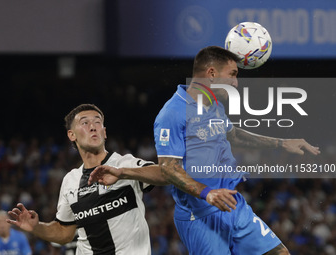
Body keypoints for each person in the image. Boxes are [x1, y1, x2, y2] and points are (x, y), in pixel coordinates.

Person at [89, 46, 320, 255]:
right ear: (211, 74)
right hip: (198, 215)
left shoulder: (212, 105)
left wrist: (282, 143)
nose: (236, 84)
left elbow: (233, 134)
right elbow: (168, 170)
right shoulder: (172, 114)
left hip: (232, 204)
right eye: (232, 75)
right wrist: (207, 193)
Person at [7, 103, 166, 255]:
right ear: (72, 135)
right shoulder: (71, 180)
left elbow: (166, 174)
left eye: (98, 122)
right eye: (85, 123)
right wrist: (37, 227)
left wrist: (123, 173)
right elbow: (64, 232)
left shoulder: (125, 164)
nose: (93, 126)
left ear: (104, 132)